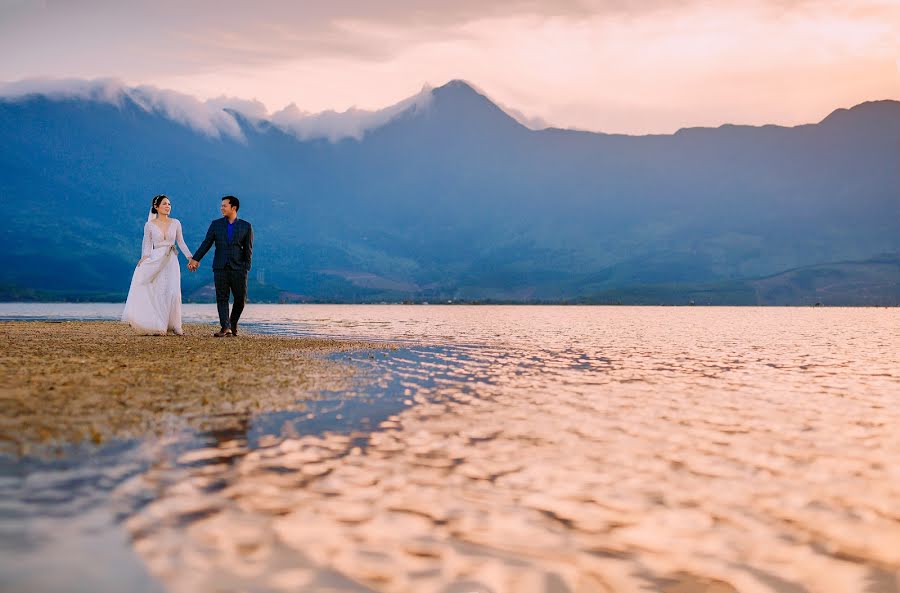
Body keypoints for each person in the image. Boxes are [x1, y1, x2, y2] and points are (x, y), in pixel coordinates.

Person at [122, 195, 193, 335]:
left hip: (172, 259)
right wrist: (144, 259)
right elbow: (147, 245)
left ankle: (176, 325)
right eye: (165, 204)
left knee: (173, 291)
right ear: (156, 207)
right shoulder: (149, 225)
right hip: (157, 259)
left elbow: (181, 242)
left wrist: (190, 257)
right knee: (159, 290)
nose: (168, 206)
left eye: (169, 204)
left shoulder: (176, 222)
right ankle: (160, 325)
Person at [188, 196, 253, 337]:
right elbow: (206, 243)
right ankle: (225, 327)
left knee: (240, 299)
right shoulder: (216, 224)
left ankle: (232, 323)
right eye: (221, 205)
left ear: (233, 208)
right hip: (220, 267)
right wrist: (195, 259)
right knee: (222, 298)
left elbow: (248, 249)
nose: (221, 208)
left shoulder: (246, 226)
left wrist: (246, 267)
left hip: (239, 268)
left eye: (224, 205)